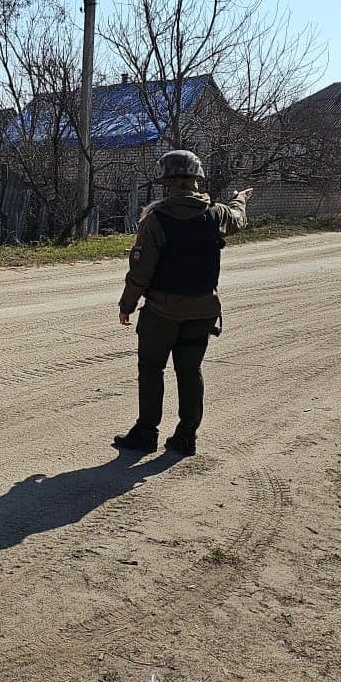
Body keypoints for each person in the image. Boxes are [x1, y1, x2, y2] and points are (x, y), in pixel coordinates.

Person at [113, 150, 252, 457]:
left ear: (166, 181)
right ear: (195, 179)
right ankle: (186, 437)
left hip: (162, 312)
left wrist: (127, 305)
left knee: (151, 369)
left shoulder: (155, 220)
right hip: (202, 310)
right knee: (190, 372)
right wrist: (239, 199)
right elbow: (238, 220)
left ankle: (146, 434)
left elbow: (141, 271)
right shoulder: (216, 214)